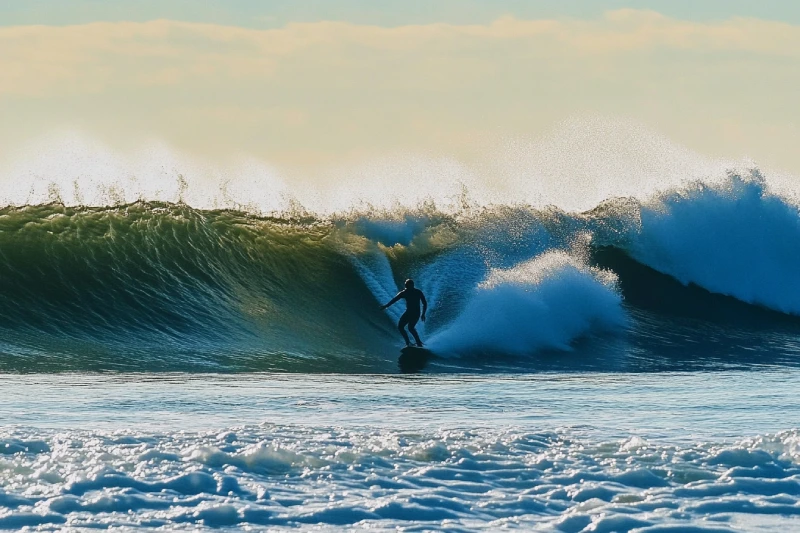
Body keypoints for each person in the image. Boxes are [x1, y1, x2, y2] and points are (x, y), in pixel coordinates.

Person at [381, 279, 428, 347]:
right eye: (406, 286)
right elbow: (394, 300)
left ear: (412, 285)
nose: (407, 287)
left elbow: (424, 303)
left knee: (410, 328)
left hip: (416, 313)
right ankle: (408, 343)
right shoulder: (404, 293)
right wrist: (386, 306)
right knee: (400, 327)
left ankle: (419, 343)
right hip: (408, 312)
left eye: (408, 285)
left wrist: (423, 314)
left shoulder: (418, 292)